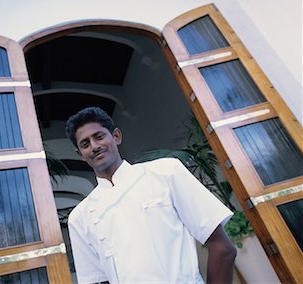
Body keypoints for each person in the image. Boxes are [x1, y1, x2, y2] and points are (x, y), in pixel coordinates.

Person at [65, 106, 236, 284]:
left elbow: (223, 249)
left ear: (116, 136)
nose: (94, 146)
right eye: (85, 144)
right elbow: (97, 281)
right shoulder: (79, 217)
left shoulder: (166, 172)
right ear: (81, 155)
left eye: (99, 137)